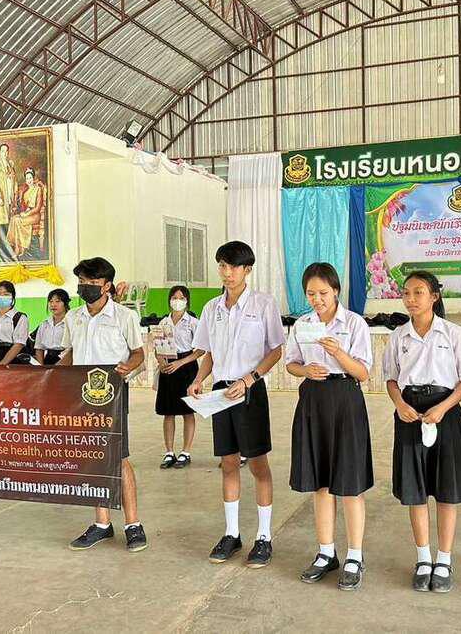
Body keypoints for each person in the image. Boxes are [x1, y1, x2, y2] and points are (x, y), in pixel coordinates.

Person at [188, 241, 285, 568]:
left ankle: (264, 536)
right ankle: (232, 533)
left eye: (233, 266)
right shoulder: (211, 308)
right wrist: (199, 378)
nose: (227, 272)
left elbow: (275, 350)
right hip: (220, 392)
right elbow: (209, 352)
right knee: (228, 463)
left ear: (247, 270)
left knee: (257, 464)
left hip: (250, 391)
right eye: (222, 266)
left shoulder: (263, 304)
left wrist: (249, 379)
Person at [383, 271, 461, 594]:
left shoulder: (453, 333)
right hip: (409, 414)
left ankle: (444, 559)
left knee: (447, 489)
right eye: (406, 293)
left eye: (419, 292)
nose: (411, 299)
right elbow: (392, 379)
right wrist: (400, 404)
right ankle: (423, 558)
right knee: (416, 489)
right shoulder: (399, 336)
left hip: (445, 413)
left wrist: (444, 407)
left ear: (434, 296)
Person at [286, 263, 373, 591]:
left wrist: (339, 353)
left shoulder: (354, 323)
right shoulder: (302, 324)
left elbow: (363, 373)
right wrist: (305, 370)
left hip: (345, 399)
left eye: (323, 293)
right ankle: (325, 553)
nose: (317, 299)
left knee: (349, 483)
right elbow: (291, 363)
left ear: (336, 290)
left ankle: (354, 556)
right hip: (313, 400)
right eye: (311, 294)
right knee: (320, 482)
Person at [58, 257, 148, 553]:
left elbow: (138, 353)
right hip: (80, 396)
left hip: (113, 395)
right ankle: (102, 523)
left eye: (92, 283)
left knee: (119, 458)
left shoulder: (124, 316)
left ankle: (133, 524)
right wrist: (49, 376)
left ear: (107, 285)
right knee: (93, 457)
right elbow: (71, 353)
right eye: (82, 282)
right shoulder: (74, 317)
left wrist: (128, 366)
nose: (85, 287)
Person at [156, 285, 203, 469]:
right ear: (169, 300)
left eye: (181, 298)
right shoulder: (163, 322)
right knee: (168, 412)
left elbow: (201, 349)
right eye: (174, 297)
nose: (177, 301)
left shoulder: (193, 322)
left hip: (187, 367)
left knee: (187, 411)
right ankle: (169, 452)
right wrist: (161, 361)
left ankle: (186, 452)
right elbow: (158, 347)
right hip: (168, 367)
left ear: (187, 301)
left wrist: (181, 362)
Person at [0, 281, 29, 365]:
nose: (1, 297)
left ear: (12, 297)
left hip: (12, 358)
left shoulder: (20, 317)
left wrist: (2, 365)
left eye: (6, 294)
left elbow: (19, 344)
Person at [34, 288, 69, 366]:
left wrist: (61, 364)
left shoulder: (71, 323)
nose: (53, 305)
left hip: (66, 360)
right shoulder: (44, 324)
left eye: (57, 301)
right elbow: (39, 348)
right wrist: (41, 367)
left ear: (65, 303)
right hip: (48, 360)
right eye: (51, 301)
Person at [0, 143, 17, 231]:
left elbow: (14, 180)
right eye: (3, 151)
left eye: (6, 151)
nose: (5, 153)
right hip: (2, 195)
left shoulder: (10, 165)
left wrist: (15, 192)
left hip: (10, 194)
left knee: (10, 219)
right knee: (2, 221)